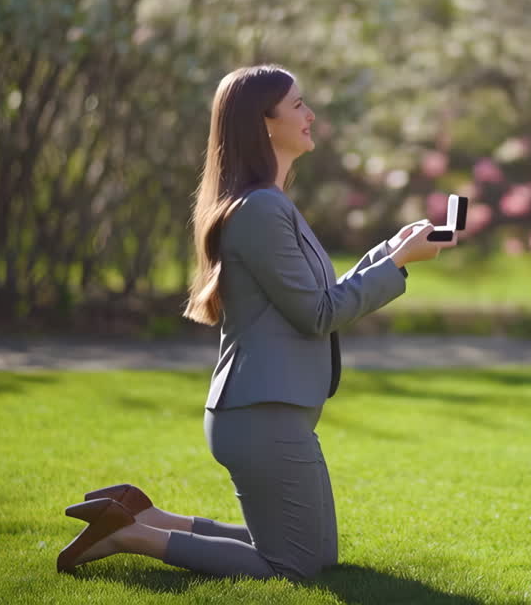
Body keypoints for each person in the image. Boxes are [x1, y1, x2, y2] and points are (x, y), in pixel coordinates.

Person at [55, 64, 455, 579]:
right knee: (301, 565)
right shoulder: (262, 209)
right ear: (262, 124)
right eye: (297, 106)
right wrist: (399, 266)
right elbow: (319, 314)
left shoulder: (268, 202)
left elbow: (317, 295)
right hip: (262, 414)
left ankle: (145, 514)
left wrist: (390, 251)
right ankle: (130, 534)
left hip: (266, 411)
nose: (310, 115)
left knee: (302, 548)